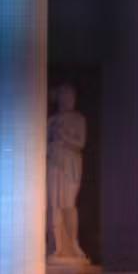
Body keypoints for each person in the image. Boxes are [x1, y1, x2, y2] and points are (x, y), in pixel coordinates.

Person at [46, 82, 88, 262]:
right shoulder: (51, 120)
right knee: (53, 204)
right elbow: (43, 144)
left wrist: (64, 137)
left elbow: (80, 143)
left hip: (70, 163)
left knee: (68, 205)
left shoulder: (79, 119)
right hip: (54, 162)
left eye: (71, 96)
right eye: (65, 95)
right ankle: (55, 246)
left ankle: (72, 243)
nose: (68, 99)